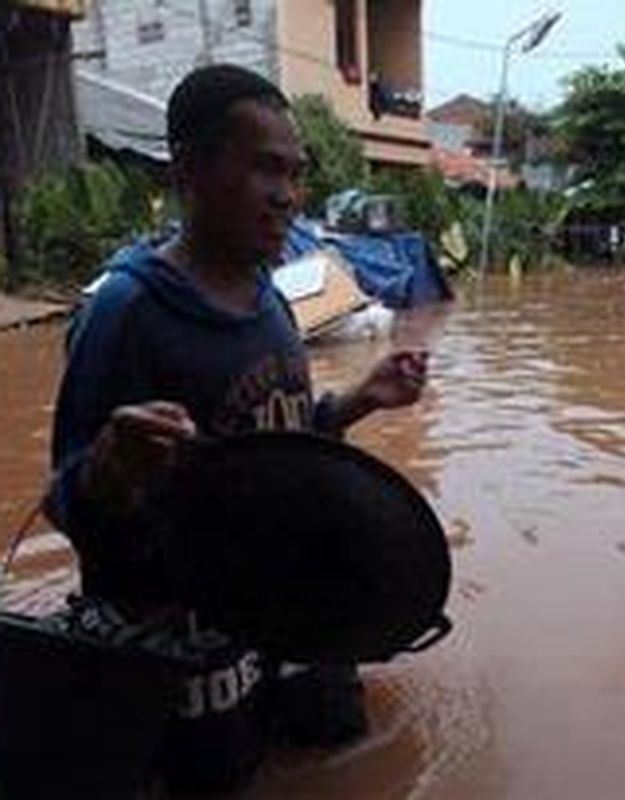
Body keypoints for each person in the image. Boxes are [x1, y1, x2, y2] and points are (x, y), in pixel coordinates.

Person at [44, 64, 428, 793]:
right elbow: (66, 502)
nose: (288, 194)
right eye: (264, 169)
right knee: (214, 779)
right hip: (182, 634)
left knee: (336, 734)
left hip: (273, 597)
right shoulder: (127, 312)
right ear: (189, 171)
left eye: (295, 173)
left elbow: (278, 449)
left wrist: (360, 401)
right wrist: (109, 473)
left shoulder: (270, 300)